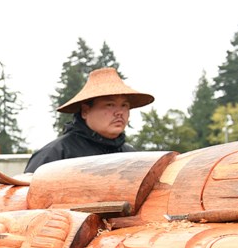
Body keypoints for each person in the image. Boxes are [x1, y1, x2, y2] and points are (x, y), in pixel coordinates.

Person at [24, 67, 154, 173]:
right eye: (110, 105)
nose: (119, 112)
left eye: (124, 105)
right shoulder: (55, 155)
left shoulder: (132, 157)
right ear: (85, 111)